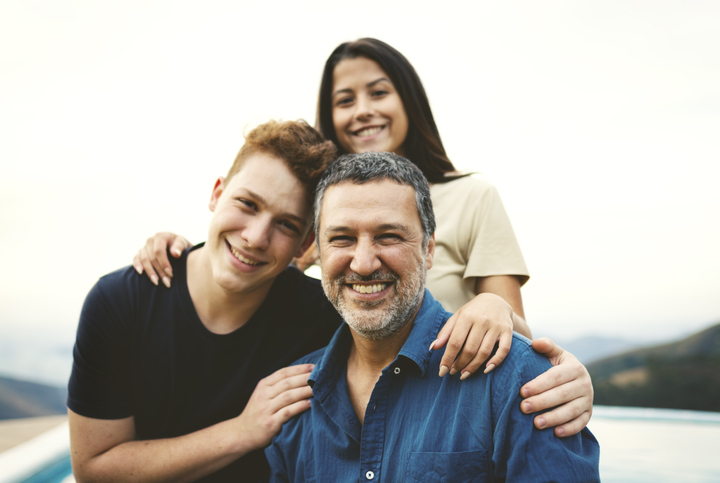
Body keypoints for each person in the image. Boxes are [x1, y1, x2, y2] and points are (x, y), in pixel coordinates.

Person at [134, 38, 593, 437]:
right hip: (344, 426)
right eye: (345, 99)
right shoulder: (320, 218)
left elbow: (515, 332)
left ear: (408, 101)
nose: (363, 110)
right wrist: (183, 253)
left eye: (379, 92)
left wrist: (495, 307)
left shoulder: (472, 196)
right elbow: (251, 267)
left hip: (453, 415)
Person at [265, 152, 600, 482]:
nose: (364, 263)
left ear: (428, 249)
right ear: (319, 254)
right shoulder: (293, 401)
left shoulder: (518, 379)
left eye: (389, 236)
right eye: (342, 239)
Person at [68, 121, 344, 482]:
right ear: (217, 193)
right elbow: (93, 470)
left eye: (286, 225)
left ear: (306, 245)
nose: (255, 237)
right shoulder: (120, 302)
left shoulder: (324, 317)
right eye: (247, 203)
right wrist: (242, 431)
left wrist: (446, 327)